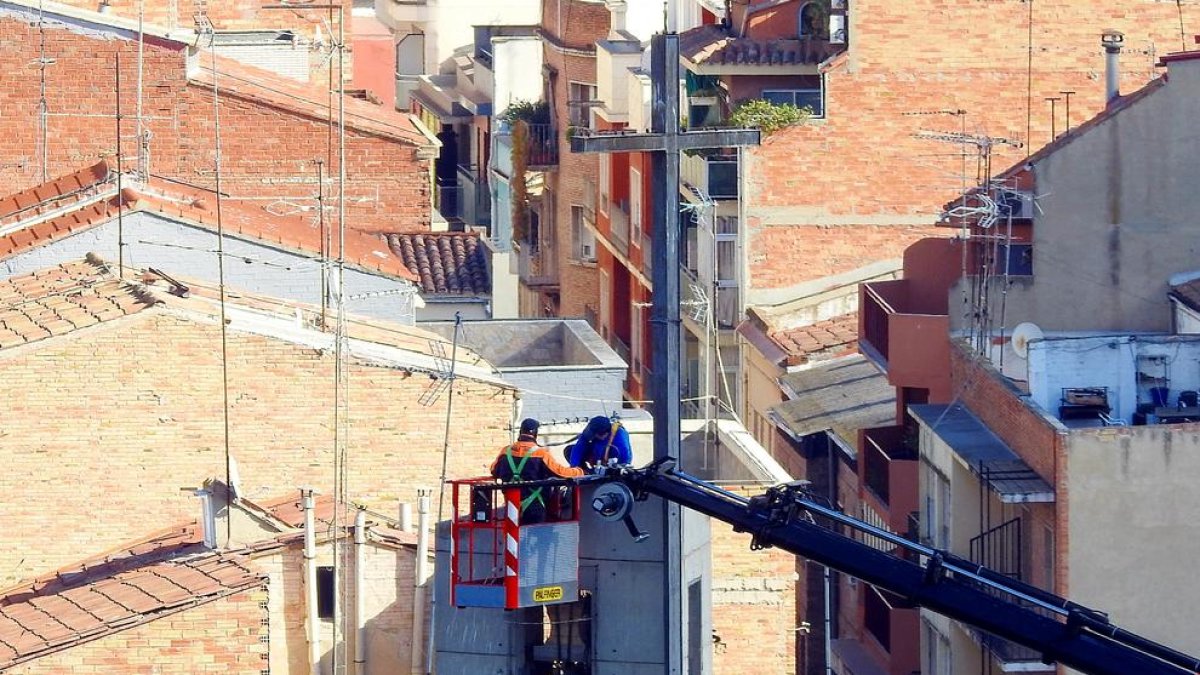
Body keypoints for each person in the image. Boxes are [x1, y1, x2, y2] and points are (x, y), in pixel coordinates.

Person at [490, 418, 583, 523]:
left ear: (520, 432)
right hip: (534, 507)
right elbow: (561, 472)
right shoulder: (540, 454)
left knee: (514, 536)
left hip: (512, 506)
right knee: (536, 536)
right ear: (535, 434)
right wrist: (579, 471)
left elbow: (494, 470)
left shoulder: (505, 451)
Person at [567, 415, 632, 469]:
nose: (595, 437)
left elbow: (625, 458)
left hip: (612, 460)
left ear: (606, 433)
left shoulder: (619, 435)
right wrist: (574, 466)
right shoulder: (590, 431)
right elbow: (578, 448)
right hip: (596, 457)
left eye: (597, 435)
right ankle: (584, 472)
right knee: (569, 450)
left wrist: (619, 469)